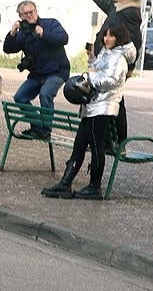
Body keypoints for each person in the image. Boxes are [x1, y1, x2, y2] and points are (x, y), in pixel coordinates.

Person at [41, 20, 129, 200]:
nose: (107, 38)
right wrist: (92, 59)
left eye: (111, 35)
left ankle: (94, 187)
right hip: (91, 104)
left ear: (119, 38)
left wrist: (89, 77)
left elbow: (110, 81)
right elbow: (99, 69)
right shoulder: (106, 54)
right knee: (79, 145)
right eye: (105, 34)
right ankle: (65, 183)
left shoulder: (119, 58)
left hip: (104, 107)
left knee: (96, 147)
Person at [78, 0, 144, 143]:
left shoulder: (130, 14)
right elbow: (105, 2)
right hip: (105, 62)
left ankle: (116, 140)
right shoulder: (121, 7)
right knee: (110, 99)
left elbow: (135, 42)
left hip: (113, 66)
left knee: (114, 100)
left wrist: (129, 69)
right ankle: (108, 140)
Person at [2, 0, 70, 139]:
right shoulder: (23, 32)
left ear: (36, 11)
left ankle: (45, 130)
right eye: (25, 14)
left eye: (31, 12)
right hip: (37, 73)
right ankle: (37, 126)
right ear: (20, 16)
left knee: (45, 94)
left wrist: (44, 34)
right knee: (20, 97)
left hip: (57, 71)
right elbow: (8, 49)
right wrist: (12, 33)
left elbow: (63, 38)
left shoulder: (50, 24)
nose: (29, 15)